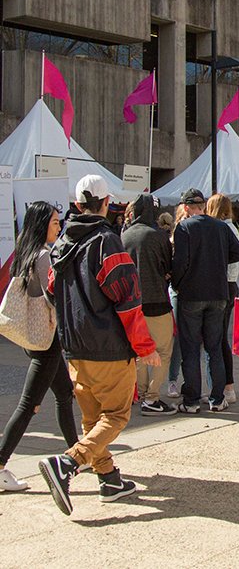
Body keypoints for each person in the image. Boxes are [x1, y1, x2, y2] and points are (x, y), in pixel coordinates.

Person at [39, 175, 161, 515]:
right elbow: (128, 301)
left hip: (74, 347)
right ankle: (68, 463)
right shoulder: (107, 242)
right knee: (116, 416)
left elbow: (52, 290)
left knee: (92, 418)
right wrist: (144, 346)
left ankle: (109, 478)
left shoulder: (63, 243)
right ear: (108, 203)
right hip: (108, 346)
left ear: (78, 206)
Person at [0, 203, 79, 492]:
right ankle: (0, 463)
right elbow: (53, 295)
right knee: (28, 405)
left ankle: (77, 454)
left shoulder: (25, 253)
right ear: (42, 224)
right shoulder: (44, 255)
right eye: (55, 222)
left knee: (63, 394)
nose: (59, 227)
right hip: (47, 341)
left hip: (40, 339)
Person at [172, 188, 239, 413]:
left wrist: (177, 282)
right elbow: (237, 252)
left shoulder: (184, 227)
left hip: (192, 293)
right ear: (202, 205)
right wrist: (219, 263)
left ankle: (192, 399)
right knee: (214, 347)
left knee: (191, 348)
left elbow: (180, 261)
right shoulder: (221, 226)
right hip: (218, 292)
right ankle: (217, 397)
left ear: (185, 207)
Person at [122, 194, 177, 416]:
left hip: (132, 305)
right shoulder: (158, 236)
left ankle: (143, 394)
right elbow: (168, 266)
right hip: (157, 301)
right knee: (163, 351)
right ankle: (152, 398)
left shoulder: (124, 236)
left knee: (140, 352)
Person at [207, 194, 239, 404]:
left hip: (223, 285)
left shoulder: (223, 229)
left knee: (217, 339)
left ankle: (226, 386)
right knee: (218, 338)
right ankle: (224, 386)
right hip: (229, 285)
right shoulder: (230, 228)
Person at [165, 203, 188, 398]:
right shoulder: (174, 239)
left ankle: (185, 381)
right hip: (178, 291)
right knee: (179, 338)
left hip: (186, 290)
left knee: (187, 339)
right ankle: (173, 380)